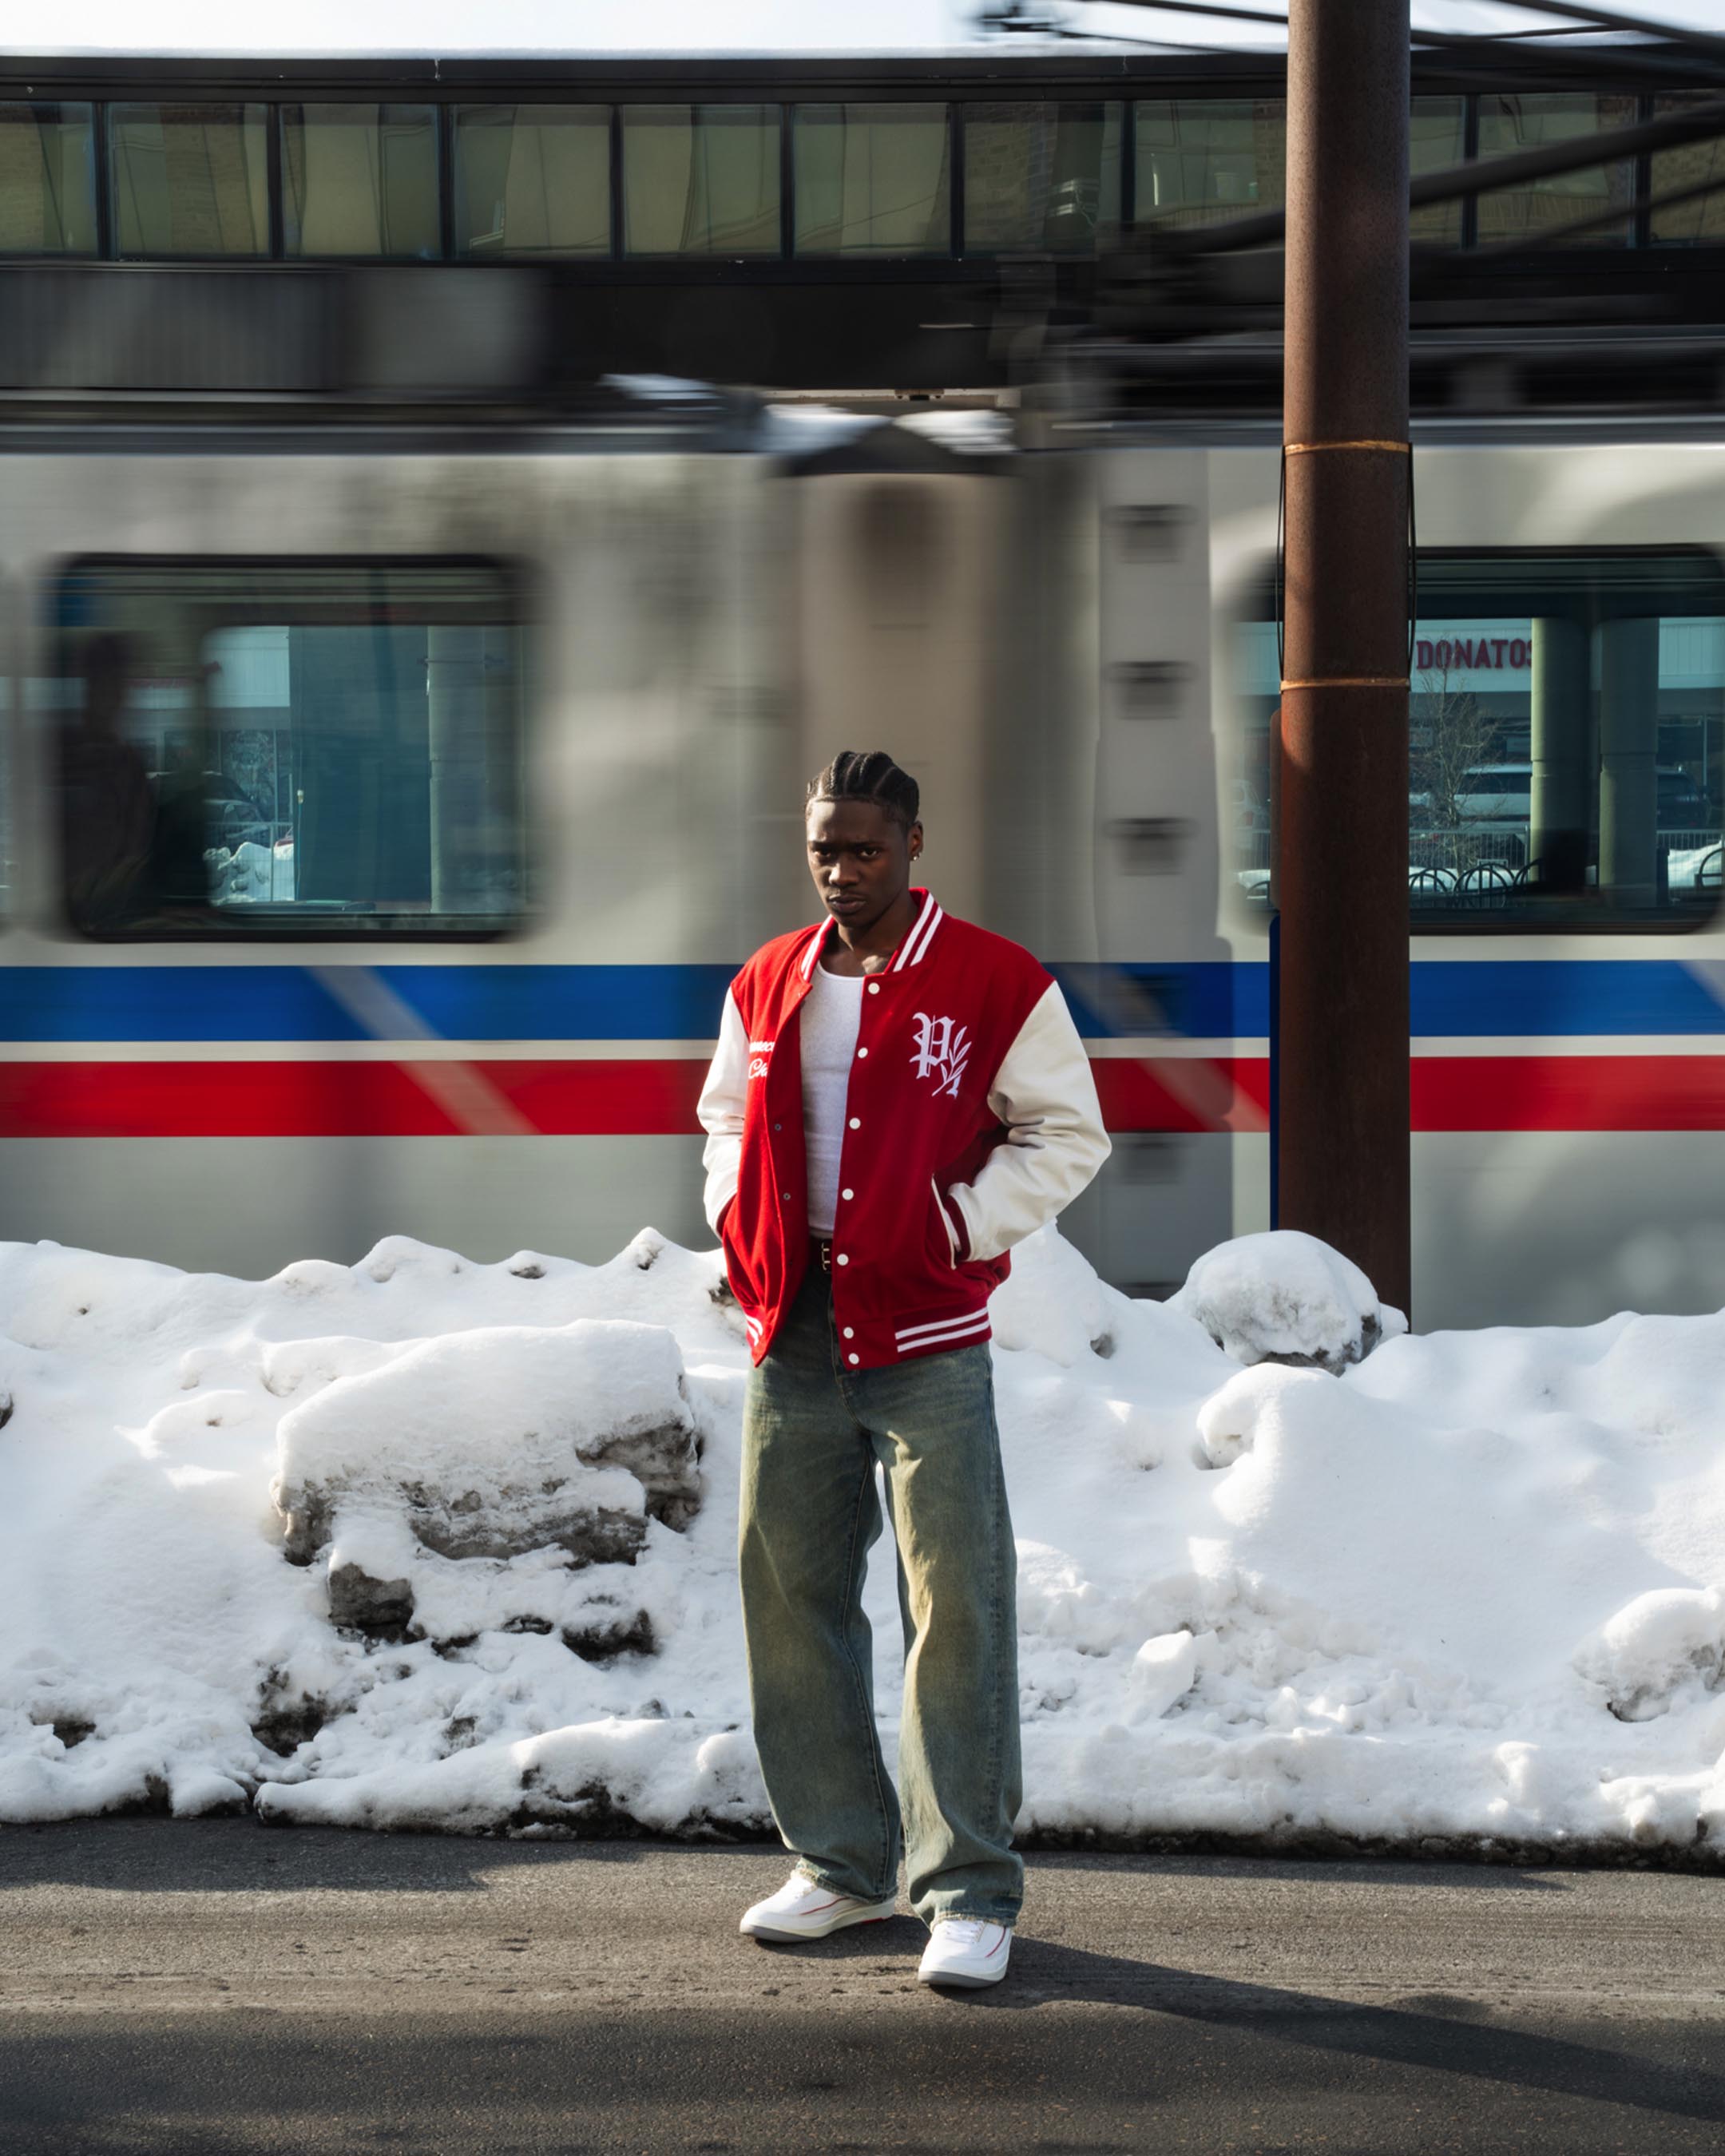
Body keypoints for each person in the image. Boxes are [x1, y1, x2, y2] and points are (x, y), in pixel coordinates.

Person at [696, 749, 1109, 1989]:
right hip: (796, 1328)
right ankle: (840, 1864)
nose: (840, 872)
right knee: (792, 1598)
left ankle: (971, 1889)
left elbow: (1069, 1131)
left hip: (926, 1335)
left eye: (864, 850)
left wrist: (956, 1227)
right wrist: (736, 1223)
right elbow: (724, 1116)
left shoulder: (993, 981)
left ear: (913, 846)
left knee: (956, 1610)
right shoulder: (769, 979)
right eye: (824, 849)